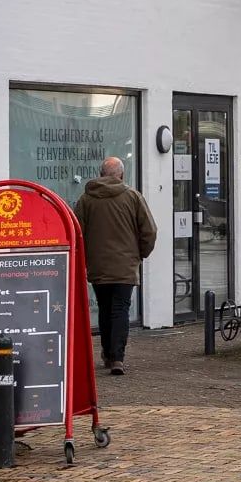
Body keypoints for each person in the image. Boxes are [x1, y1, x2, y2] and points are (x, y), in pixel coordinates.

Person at [76, 156, 155, 373]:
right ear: (121, 174)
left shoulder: (86, 199)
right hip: (125, 265)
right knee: (120, 309)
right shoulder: (132, 197)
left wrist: (85, 259)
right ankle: (118, 357)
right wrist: (140, 254)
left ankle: (108, 355)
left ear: (101, 174)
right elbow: (149, 230)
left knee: (104, 308)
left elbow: (77, 233)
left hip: (98, 265)